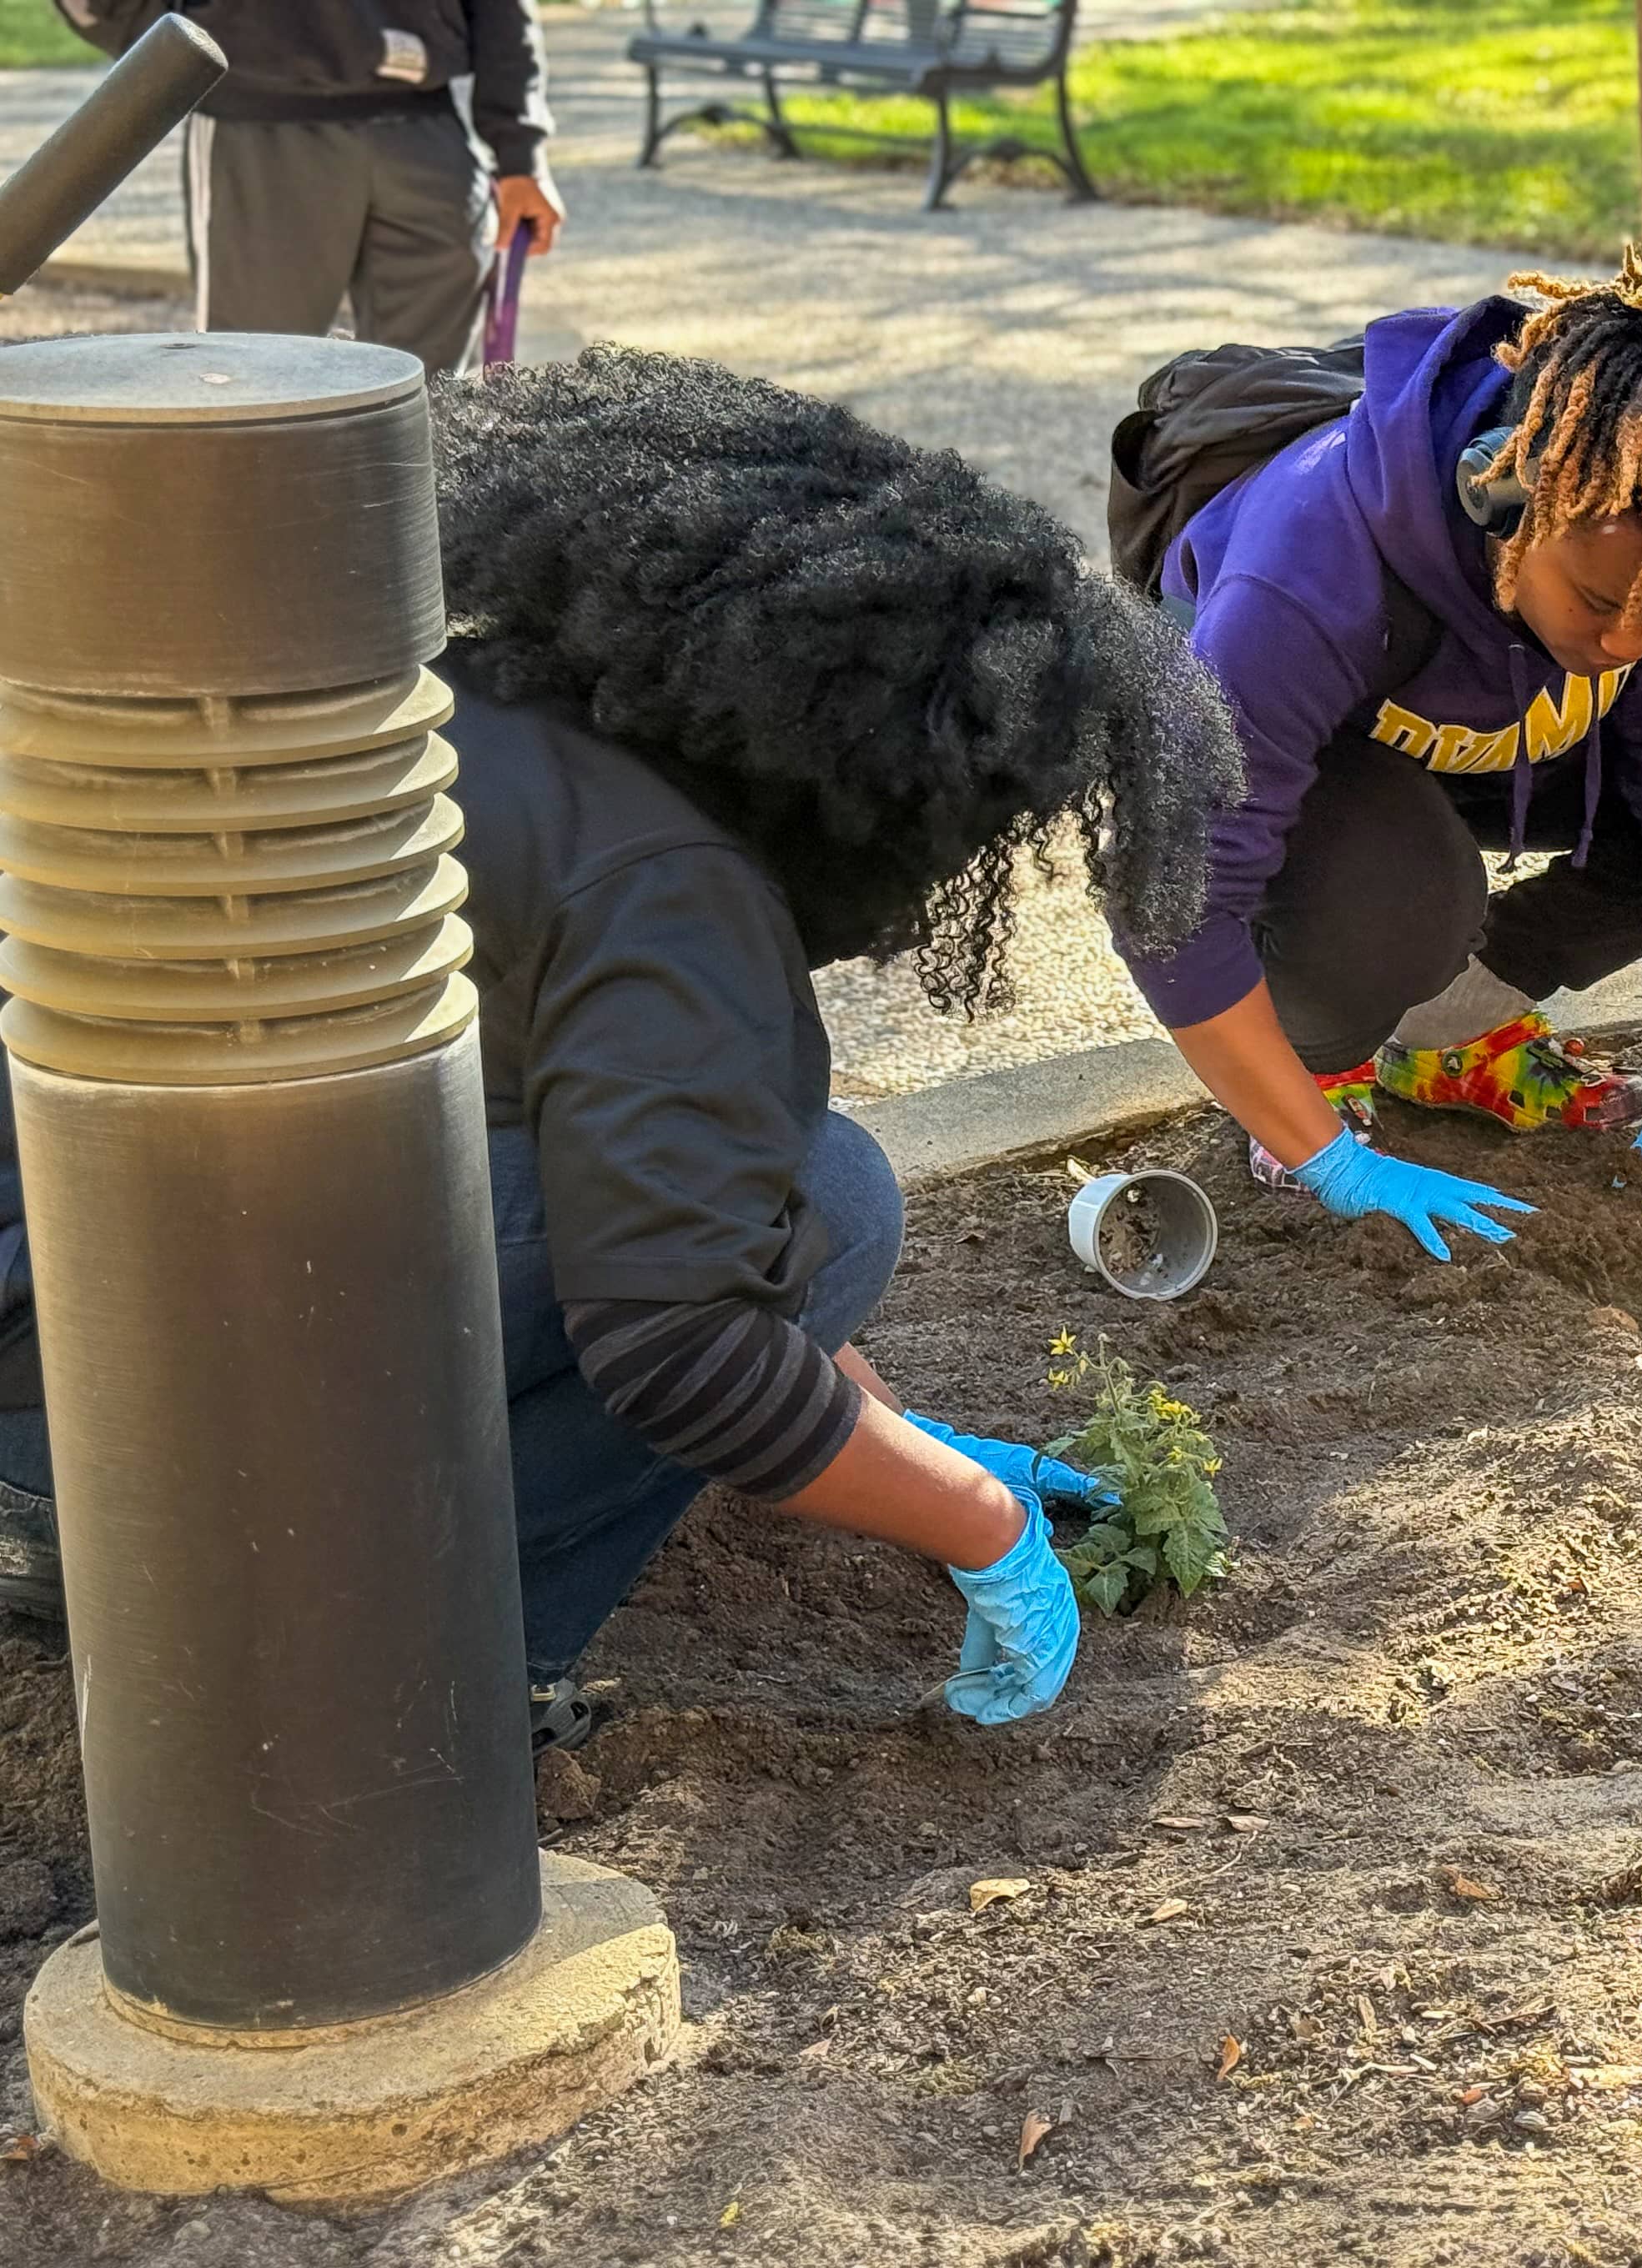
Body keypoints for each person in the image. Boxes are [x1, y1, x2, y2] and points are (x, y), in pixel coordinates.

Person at [0, 350, 1235, 1749]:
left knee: (774, 1204)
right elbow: (681, 1338)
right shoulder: (671, 894)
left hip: (57, 1317)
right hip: (97, 1453)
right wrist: (981, 1519)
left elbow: (653, 1195)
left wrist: (909, 1438)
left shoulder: (494, 710)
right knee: (835, 1196)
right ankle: (410, 1655)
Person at [1123, 243, 1642, 1257]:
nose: (1630, 643)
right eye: (1604, 601)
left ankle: (1446, 1030)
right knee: (1404, 901)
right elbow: (1170, 900)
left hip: (1490, 730)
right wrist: (1323, 1158)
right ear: (1506, 498)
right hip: (1301, 754)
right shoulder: (1311, 568)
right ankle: (1319, 1061)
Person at [55, 0, 565, 372]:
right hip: (260, 130)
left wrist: (521, 156)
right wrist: (201, 40)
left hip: (428, 133)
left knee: (437, 405)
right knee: (254, 384)